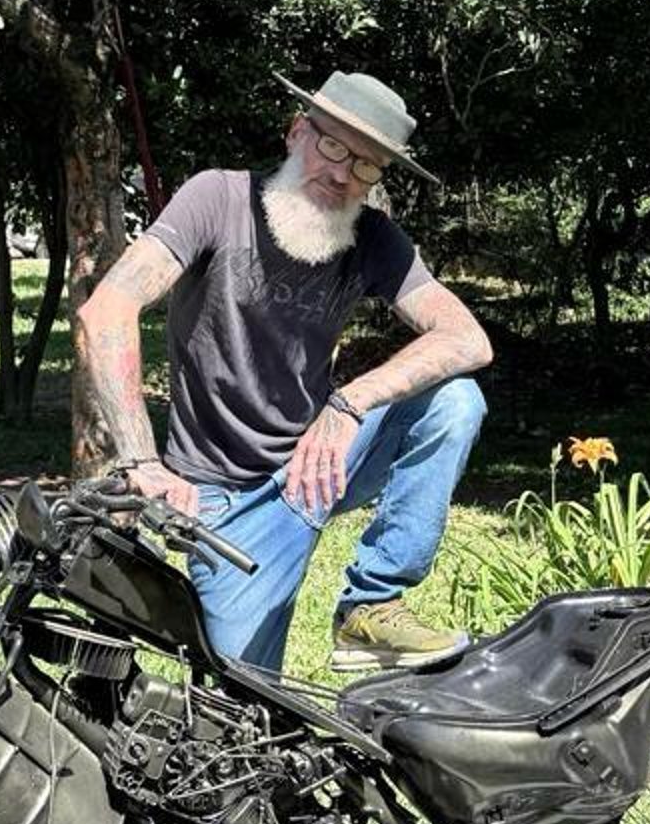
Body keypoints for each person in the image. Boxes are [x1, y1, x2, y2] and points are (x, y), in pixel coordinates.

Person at [74, 69, 492, 675]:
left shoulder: (372, 239)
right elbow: (105, 311)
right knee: (239, 708)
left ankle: (370, 606)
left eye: (368, 166)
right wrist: (142, 463)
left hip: (314, 468)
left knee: (455, 400)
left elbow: (467, 338)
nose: (344, 174)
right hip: (221, 502)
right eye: (333, 147)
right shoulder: (217, 199)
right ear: (298, 133)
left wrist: (349, 404)